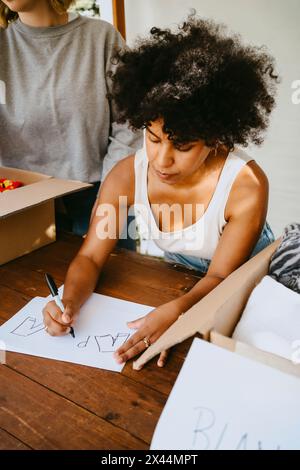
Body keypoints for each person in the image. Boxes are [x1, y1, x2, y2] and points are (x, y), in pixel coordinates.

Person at [42, 16, 278, 368]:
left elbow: (220, 277)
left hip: (248, 281)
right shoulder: (126, 177)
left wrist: (178, 312)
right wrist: (69, 300)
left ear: (216, 138)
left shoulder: (245, 185)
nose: (162, 160)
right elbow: (91, 257)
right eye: (153, 138)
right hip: (183, 278)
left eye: (182, 146)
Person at [0, 0, 142, 235]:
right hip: (19, 199)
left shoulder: (101, 37)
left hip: (97, 194)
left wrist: (110, 195)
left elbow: (130, 123)